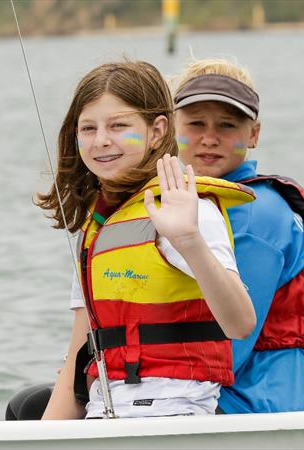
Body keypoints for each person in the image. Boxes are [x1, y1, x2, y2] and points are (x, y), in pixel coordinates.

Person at [33, 60, 256, 420]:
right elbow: (79, 353)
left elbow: (241, 323)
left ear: (157, 131)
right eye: (88, 128)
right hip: (105, 417)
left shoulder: (190, 210)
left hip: (177, 418)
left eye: (119, 126)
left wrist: (189, 240)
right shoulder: (95, 228)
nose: (101, 140)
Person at [172, 58, 304, 414]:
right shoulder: (186, 204)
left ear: (254, 135)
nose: (210, 138)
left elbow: (233, 343)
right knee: (37, 400)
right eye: (196, 123)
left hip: (256, 402)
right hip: (217, 392)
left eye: (227, 125)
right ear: (172, 127)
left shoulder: (255, 213)